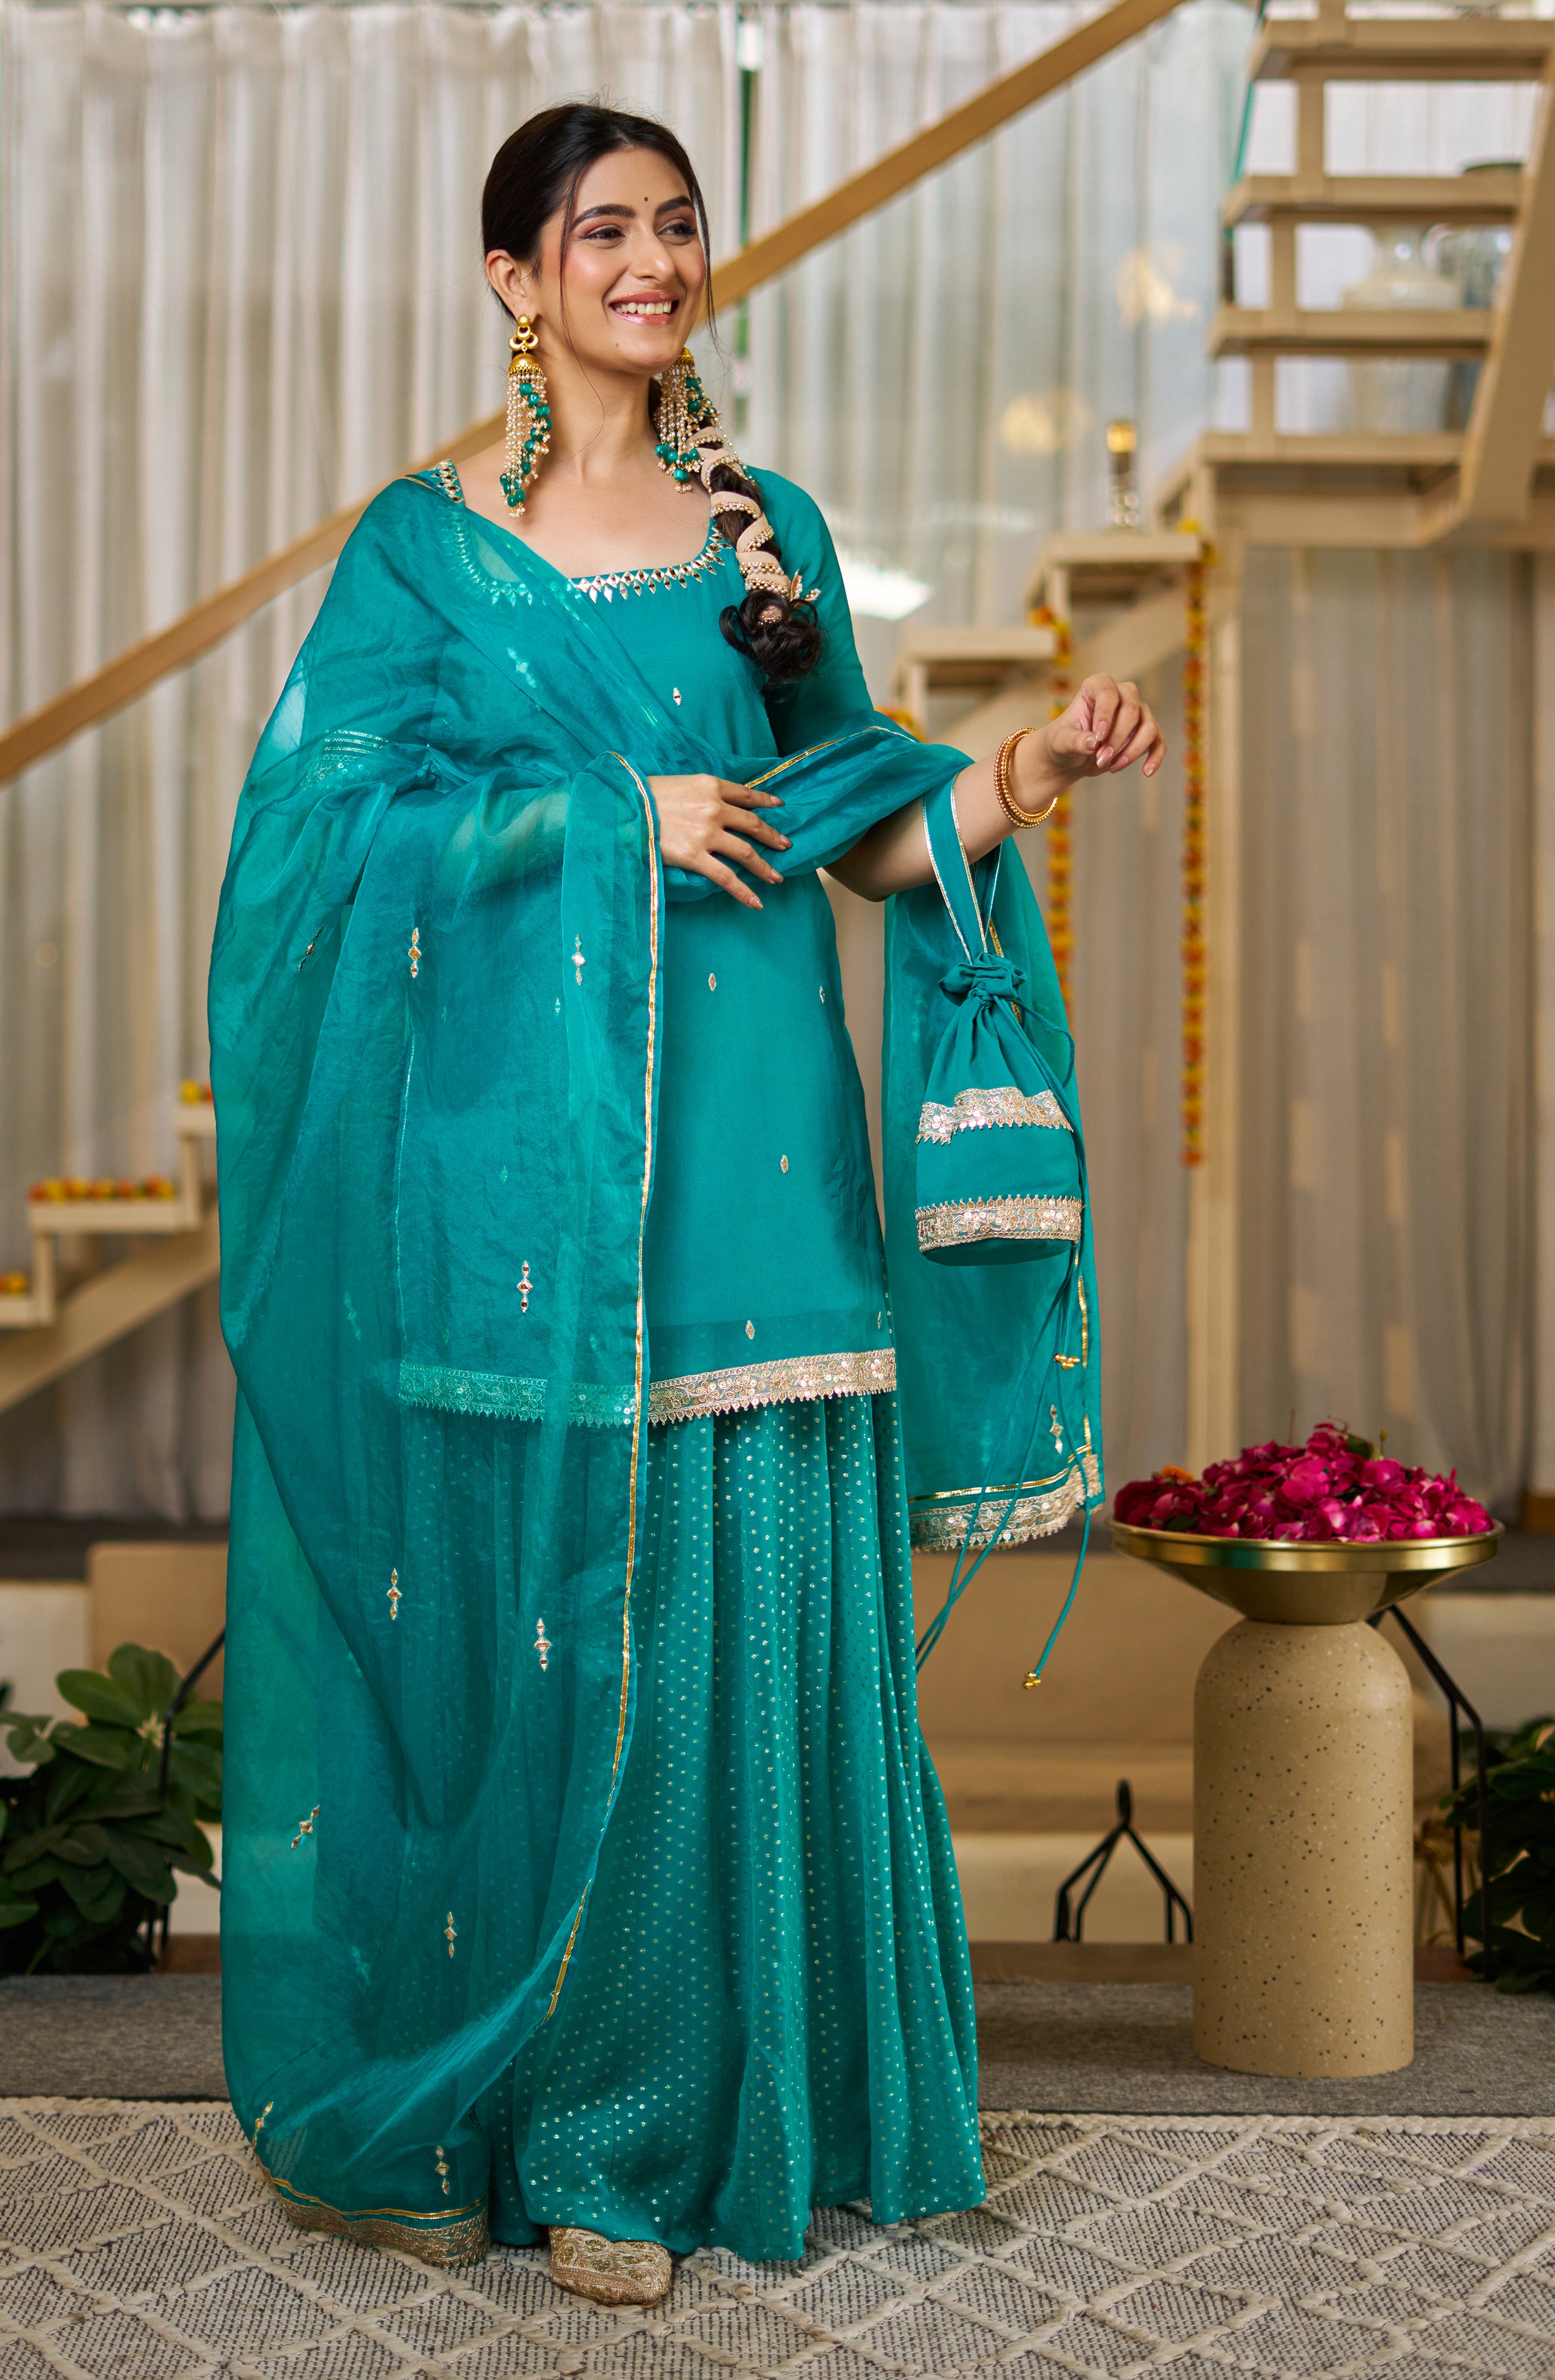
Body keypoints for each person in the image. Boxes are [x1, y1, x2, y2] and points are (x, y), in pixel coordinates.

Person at [209, 100, 1162, 2308]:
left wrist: (1025, 772)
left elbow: (864, 823)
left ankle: (779, 2107)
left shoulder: (768, 532)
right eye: (601, 231)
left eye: (677, 224)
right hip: (532, 1182)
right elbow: (317, 846)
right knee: (580, 1649)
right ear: (514, 281)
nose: (651, 260)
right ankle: (595, 2146)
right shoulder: (429, 551)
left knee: (762, 1633)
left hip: (758, 1152)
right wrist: (598, 816)